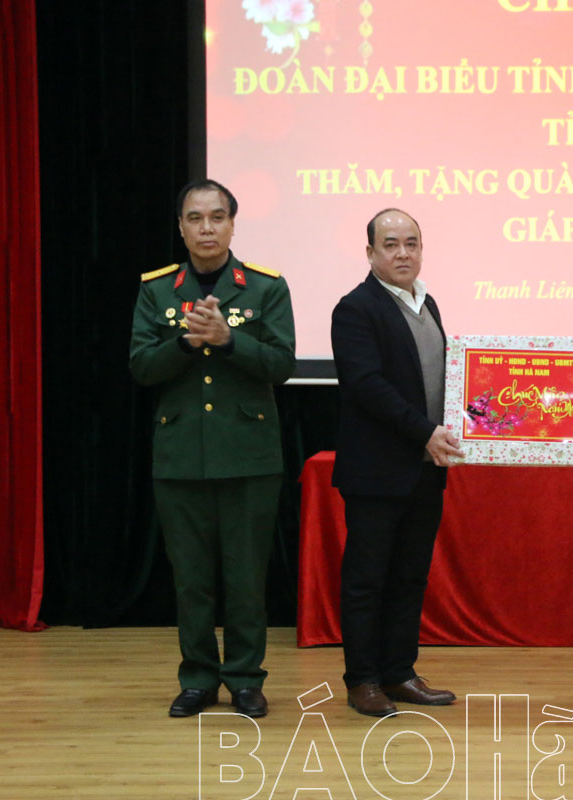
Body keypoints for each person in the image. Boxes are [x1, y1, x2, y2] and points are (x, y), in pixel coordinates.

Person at [129, 179, 296, 718]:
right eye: (195, 218)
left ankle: (245, 679)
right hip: (181, 456)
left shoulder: (266, 287)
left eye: (217, 217)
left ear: (232, 225)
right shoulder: (158, 290)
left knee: (246, 580)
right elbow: (141, 367)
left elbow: (281, 365)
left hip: (249, 456)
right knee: (192, 581)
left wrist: (229, 340)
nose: (207, 228)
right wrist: (185, 343)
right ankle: (198, 678)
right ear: (180, 227)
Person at [329, 208, 465, 718]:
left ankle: (399, 672)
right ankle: (363, 680)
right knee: (367, 580)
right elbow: (367, 386)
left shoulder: (428, 304)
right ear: (370, 253)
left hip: (425, 468)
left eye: (411, 243)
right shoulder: (355, 309)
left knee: (410, 577)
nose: (402, 252)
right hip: (377, 473)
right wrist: (425, 431)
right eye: (390, 244)